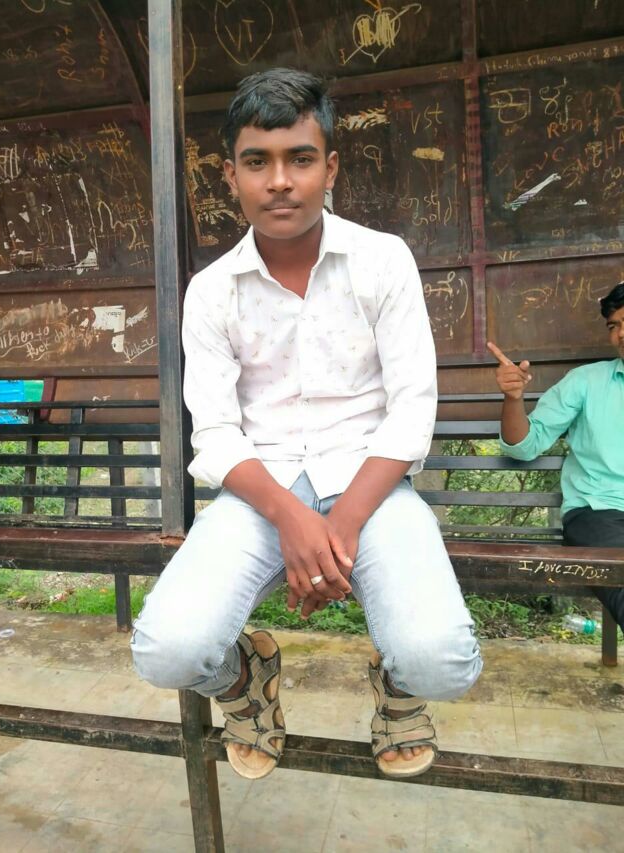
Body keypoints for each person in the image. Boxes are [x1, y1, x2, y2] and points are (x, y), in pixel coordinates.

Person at [131, 68, 482, 781]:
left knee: (441, 662)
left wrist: (337, 528)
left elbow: (413, 408)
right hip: (260, 495)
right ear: (230, 176)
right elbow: (216, 431)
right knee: (166, 650)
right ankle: (246, 681)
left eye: (300, 158)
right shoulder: (211, 291)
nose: (280, 181)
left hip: (372, 488)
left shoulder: (382, 261)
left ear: (331, 168)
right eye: (257, 162)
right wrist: (293, 520)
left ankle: (400, 681)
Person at [488, 281, 624, 632]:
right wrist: (514, 399)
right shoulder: (585, 382)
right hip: (598, 512)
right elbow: (525, 445)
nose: (621, 334)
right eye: (614, 326)